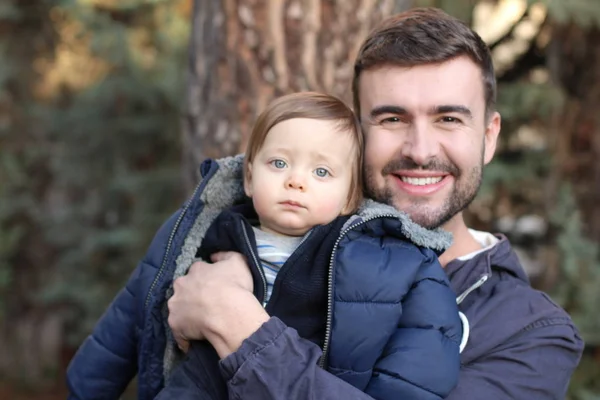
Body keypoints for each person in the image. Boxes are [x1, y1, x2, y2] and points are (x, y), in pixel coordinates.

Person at [163, 6, 584, 400]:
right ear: (357, 134)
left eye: (449, 119)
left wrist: (238, 326)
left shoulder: (532, 333)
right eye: (392, 119)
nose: (420, 150)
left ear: (489, 137)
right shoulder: (243, 234)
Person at [66, 90, 463, 400]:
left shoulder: (385, 259)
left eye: (322, 171)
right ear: (250, 176)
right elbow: (125, 322)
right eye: (279, 163)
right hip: (198, 385)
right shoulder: (205, 231)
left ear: (348, 198)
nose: (296, 180)